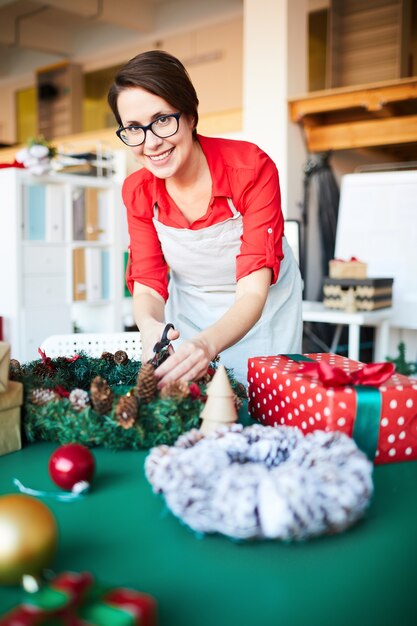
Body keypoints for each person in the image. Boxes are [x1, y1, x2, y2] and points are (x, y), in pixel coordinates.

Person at [108, 50, 302, 386]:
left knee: (261, 409)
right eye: (134, 128)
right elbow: (149, 283)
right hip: (191, 315)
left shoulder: (250, 169)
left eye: (162, 120)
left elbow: (253, 293)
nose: (151, 142)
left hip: (262, 311)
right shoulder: (137, 190)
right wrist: (151, 326)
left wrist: (208, 344)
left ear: (191, 116)